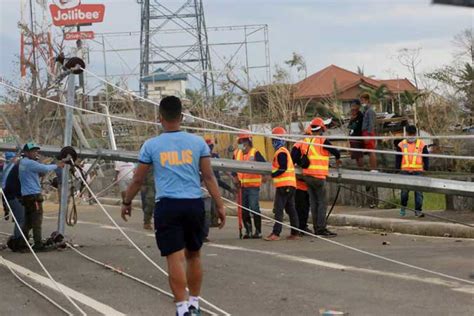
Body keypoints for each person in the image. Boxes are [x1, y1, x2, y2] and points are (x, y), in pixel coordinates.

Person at [121, 96, 226, 316]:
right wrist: (220, 204)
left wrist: (127, 201)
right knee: (194, 255)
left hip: (167, 206)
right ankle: (195, 304)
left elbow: (138, 179)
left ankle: (181, 308)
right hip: (194, 204)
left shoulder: (151, 145)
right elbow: (208, 176)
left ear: (160, 118)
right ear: (182, 117)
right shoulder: (198, 143)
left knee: (174, 258)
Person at [293, 118, 341, 237]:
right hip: (318, 176)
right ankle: (321, 228)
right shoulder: (322, 140)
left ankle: (316, 227)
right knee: (322, 203)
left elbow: (295, 154)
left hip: (307, 176)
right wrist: (338, 159)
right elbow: (336, 152)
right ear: (322, 128)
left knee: (314, 203)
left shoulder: (306, 140)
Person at [19, 143, 65, 250]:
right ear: (26, 153)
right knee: (36, 220)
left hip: (26, 196)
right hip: (34, 195)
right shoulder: (30, 163)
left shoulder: (22, 163)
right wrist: (58, 165)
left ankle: (22, 242)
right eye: (33, 151)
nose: (35, 153)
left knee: (28, 221)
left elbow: (35, 172)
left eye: (36, 151)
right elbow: (44, 168)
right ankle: (38, 244)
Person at [264, 127, 300, 241]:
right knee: (291, 210)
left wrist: (272, 175)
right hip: (290, 185)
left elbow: (282, 168)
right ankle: (295, 232)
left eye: (273, 140)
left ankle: (276, 233)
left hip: (284, 186)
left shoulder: (281, 153)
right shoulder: (284, 151)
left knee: (279, 209)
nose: (272, 142)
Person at [233, 134, 266, 239]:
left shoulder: (255, 153)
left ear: (247, 142)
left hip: (253, 186)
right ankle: (248, 231)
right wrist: (235, 178)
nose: (240, 144)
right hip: (241, 186)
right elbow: (232, 167)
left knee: (254, 207)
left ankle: (258, 231)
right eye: (239, 142)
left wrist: (264, 175)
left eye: (242, 142)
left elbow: (263, 165)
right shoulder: (236, 153)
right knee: (244, 209)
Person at [396, 125, 429, 217]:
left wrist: (426, 168)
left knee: (418, 192)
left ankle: (418, 211)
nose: (411, 136)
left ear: (415, 134)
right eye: (409, 134)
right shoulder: (401, 144)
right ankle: (403, 207)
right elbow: (398, 158)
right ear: (406, 133)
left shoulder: (421, 144)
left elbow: (426, 157)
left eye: (412, 134)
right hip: (405, 171)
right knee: (404, 193)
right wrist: (397, 169)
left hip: (418, 171)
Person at [291, 127, 311, 235]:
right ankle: (300, 228)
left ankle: (302, 227)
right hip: (300, 182)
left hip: (308, 182)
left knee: (305, 207)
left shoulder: (311, 145)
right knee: (301, 207)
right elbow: (292, 162)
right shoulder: (300, 145)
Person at [2, 152, 25, 242]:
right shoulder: (14, 167)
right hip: (11, 194)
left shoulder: (9, 166)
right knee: (20, 218)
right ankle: (18, 240)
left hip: (7, 193)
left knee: (19, 217)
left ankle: (18, 237)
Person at [360, 93, 377, 171]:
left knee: (371, 151)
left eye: (363, 100)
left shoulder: (370, 111)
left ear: (367, 100)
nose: (362, 102)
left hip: (368, 132)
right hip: (365, 132)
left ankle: (373, 168)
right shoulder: (365, 110)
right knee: (369, 151)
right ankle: (371, 168)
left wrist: (369, 135)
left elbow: (371, 123)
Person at [348, 99, 364, 168]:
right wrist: (351, 119)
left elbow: (355, 126)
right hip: (352, 137)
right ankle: (359, 167)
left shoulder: (360, 115)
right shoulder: (353, 116)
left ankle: (361, 168)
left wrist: (353, 120)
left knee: (359, 154)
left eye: (354, 106)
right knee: (355, 155)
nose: (352, 107)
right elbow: (349, 126)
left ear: (358, 106)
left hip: (358, 137)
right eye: (352, 106)